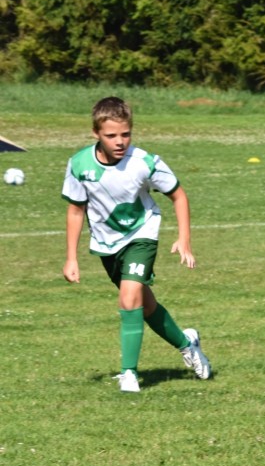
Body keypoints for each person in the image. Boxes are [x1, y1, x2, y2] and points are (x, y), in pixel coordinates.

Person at [62, 97, 211, 393]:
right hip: (107, 243)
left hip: (142, 233)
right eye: (111, 135)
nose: (120, 141)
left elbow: (179, 196)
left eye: (126, 134)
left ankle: (128, 374)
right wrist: (71, 258)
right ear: (95, 133)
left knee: (129, 297)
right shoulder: (79, 164)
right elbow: (76, 210)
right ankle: (188, 344)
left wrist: (184, 238)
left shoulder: (144, 162)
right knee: (145, 305)